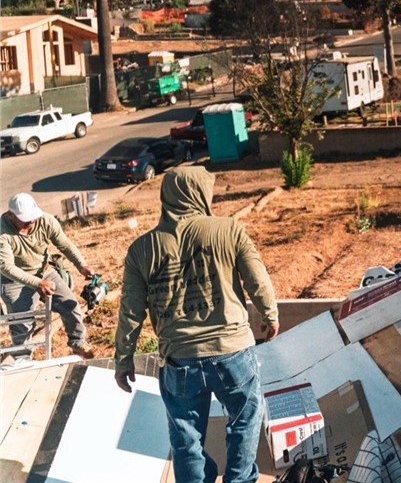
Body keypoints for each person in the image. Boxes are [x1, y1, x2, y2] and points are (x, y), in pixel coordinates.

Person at [114, 167, 278, 483]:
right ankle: (239, 479)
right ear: (200, 194)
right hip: (232, 353)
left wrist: (123, 361)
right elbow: (258, 281)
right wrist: (269, 316)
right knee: (245, 418)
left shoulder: (141, 250)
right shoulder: (229, 230)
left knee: (186, 438)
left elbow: (130, 313)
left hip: (179, 361)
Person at [0, 192, 97, 359]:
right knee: (22, 323)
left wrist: (82, 265)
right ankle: (22, 359)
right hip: (13, 280)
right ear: (11, 216)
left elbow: (65, 244)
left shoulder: (45, 221)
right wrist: (37, 283)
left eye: (33, 216)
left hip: (44, 272)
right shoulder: (2, 232)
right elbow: (6, 266)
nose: (31, 221)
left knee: (71, 306)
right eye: (25, 218)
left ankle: (78, 344)